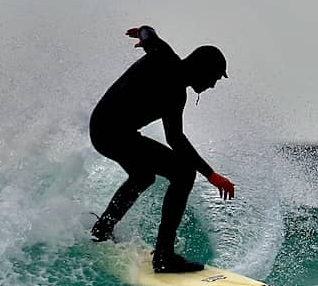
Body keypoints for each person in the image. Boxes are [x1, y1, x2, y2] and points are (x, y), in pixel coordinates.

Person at [88, 24, 235, 273]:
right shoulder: (170, 76)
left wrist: (143, 35)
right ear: (203, 69)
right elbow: (176, 140)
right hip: (112, 133)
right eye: (214, 78)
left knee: (143, 176)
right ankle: (164, 257)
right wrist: (211, 175)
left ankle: (102, 229)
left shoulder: (168, 69)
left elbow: (149, 32)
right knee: (184, 173)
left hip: (103, 130)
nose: (212, 86)